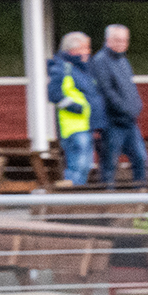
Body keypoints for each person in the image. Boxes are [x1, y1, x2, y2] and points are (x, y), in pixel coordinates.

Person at [88, 24, 148, 189]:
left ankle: (141, 199)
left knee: (141, 158)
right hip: (112, 122)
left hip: (130, 121)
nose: (123, 43)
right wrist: (126, 109)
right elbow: (107, 92)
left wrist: (137, 106)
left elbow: (130, 88)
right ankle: (108, 203)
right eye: (118, 40)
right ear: (108, 40)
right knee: (109, 163)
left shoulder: (123, 60)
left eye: (125, 40)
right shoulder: (100, 61)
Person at [46, 31, 105, 187]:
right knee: (76, 168)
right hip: (72, 128)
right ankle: (68, 202)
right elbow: (54, 95)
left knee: (85, 167)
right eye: (84, 48)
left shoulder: (82, 69)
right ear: (72, 50)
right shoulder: (62, 68)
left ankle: (75, 201)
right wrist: (77, 108)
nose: (88, 52)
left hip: (86, 126)